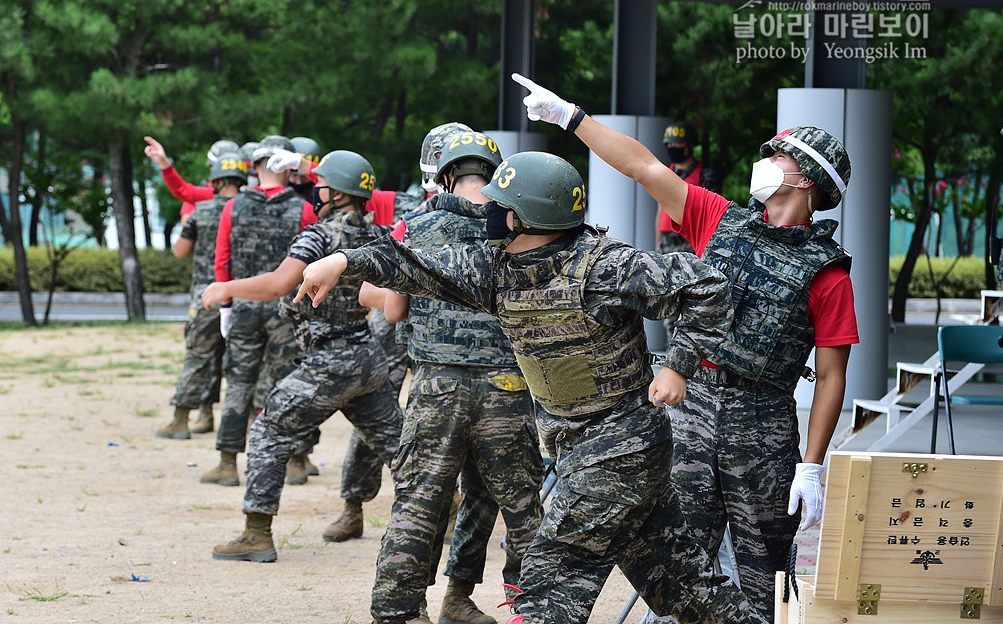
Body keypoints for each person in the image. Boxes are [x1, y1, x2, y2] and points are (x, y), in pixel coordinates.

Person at [294, 151, 766, 624]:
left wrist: (679, 366)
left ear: (522, 216)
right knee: (683, 585)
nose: (488, 210)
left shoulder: (605, 266)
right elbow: (412, 264)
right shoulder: (495, 268)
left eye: (499, 204)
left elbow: (706, 287)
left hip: (622, 448)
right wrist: (342, 260)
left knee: (547, 583)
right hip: (586, 448)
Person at [511, 72, 858, 621]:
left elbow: (832, 376)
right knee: (684, 566)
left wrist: (811, 467)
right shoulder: (720, 220)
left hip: (763, 423)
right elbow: (643, 166)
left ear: (808, 181)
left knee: (762, 571)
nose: (765, 164)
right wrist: (570, 117)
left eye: (780, 159)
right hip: (688, 405)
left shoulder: (827, 275)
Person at [367, 131, 545, 624]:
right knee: (523, 507)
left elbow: (396, 311)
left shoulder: (413, 225)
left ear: (444, 175)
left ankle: (399, 612)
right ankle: (534, 610)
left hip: (434, 388)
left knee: (420, 500)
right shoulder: (520, 228)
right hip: (508, 389)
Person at [201, 150, 404, 563]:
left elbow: (279, 284)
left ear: (338, 190)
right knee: (401, 449)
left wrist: (227, 288)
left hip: (330, 362)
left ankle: (256, 534)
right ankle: (447, 512)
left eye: (322, 183)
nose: (316, 189)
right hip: (367, 357)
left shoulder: (320, 236)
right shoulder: (378, 235)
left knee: (268, 430)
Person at [202, 135, 306, 487]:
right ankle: (295, 461)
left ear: (255, 165)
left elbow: (222, 261)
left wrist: (226, 308)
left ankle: (228, 463)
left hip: (244, 307)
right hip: (288, 310)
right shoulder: (303, 209)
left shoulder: (233, 207)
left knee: (239, 384)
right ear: (288, 166)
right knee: (289, 386)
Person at [155, 151, 248, 440]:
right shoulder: (250, 211)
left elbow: (180, 252)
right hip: (246, 293)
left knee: (199, 356)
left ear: (215, 181)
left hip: (207, 295)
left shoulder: (201, 211)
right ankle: (245, 424)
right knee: (244, 360)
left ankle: (182, 419)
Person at [656, 122, 720, 255]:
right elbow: (660, 211)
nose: (672, 147)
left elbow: (712, 214)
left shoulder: (705, 174)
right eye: (669, 145)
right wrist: (657, 245)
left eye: (677, 144)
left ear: (689, 146)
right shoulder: (664, 172)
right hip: (666, 242)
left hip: (691, 241)